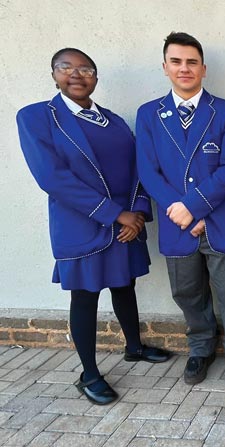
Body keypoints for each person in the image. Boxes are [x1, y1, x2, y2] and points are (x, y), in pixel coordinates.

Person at [16, 48, 170, 405]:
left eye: (85, 69)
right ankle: (88, 374)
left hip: (126, 224)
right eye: (66, 67)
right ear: (53, 74)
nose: (76, 74)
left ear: (96, 78)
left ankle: (134, 347)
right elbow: (53, 178)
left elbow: (139, 169)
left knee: (124, 285)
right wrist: (115, 214)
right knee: (85, 297)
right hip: (83, 225)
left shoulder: (113, 121)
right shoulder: (37, 117)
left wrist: (138, 213)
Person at [136, 32, 225, 389]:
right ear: (165, 67)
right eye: (176, 61)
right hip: (176, 223)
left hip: (221, 220)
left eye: (192, 62)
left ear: (203, 68)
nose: (184, 68)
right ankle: (201, 348)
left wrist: (194, 207)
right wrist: (181, 212)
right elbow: (148, 172)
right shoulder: (149, 114)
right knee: (187, 292)